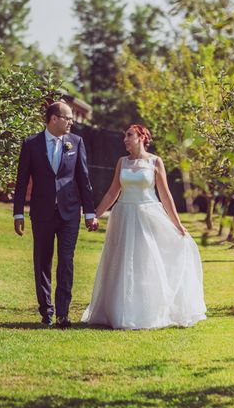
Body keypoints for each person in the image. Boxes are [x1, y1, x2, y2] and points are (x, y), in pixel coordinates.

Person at [81, 124, 206, 329]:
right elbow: (113, 192)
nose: (125, 139)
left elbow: (165, 196)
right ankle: (118, 311)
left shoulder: (155, 162)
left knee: (144, 262)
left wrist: (178, 224)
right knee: (120, 263)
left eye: (129, 135)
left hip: (147, 216)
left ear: (141, 137)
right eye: (124, 136)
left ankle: (145, 311)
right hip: (123, 216)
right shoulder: (122, 162)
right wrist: (95, 215)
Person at [13, 101, 99, 329]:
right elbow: (22, 181)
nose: (71, 122)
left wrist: (90, 212)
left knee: (66, 262)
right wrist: (18, 213)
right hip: (41, 213)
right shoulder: (31, 144)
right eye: (67, 117)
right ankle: (46, 312)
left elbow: (84, 179)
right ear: (53, 118)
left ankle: (63, 313)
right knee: (42, 261)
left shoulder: (76, 142)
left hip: (69, 213)